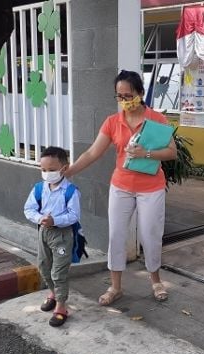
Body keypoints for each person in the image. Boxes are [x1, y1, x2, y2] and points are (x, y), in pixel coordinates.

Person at [64, 70, 177, 306]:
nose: (125, 100)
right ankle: (115, 287)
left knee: (150, 235)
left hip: (151, 187)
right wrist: (72, 170)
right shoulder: (112, 122)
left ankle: (156, 280)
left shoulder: (157, 120)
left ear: (140, 93)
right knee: (116, 235)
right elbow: (94, 152)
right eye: (120, 96)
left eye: (129, 95)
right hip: (122, 186)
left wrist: (146, 153)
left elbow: (171, 153)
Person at [23, 147, 80, 327]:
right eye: (44, 170)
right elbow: (29, 209)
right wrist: (40, 218)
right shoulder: (39, 189)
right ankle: (53, 294)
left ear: (64, 168)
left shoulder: (71, 191)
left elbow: (74, 215)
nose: (47, 174)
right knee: (44, 265)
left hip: (62, 234)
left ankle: (62, 307)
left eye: (52, 169)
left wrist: (55, 220)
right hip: (44, 232)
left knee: (59, 271)